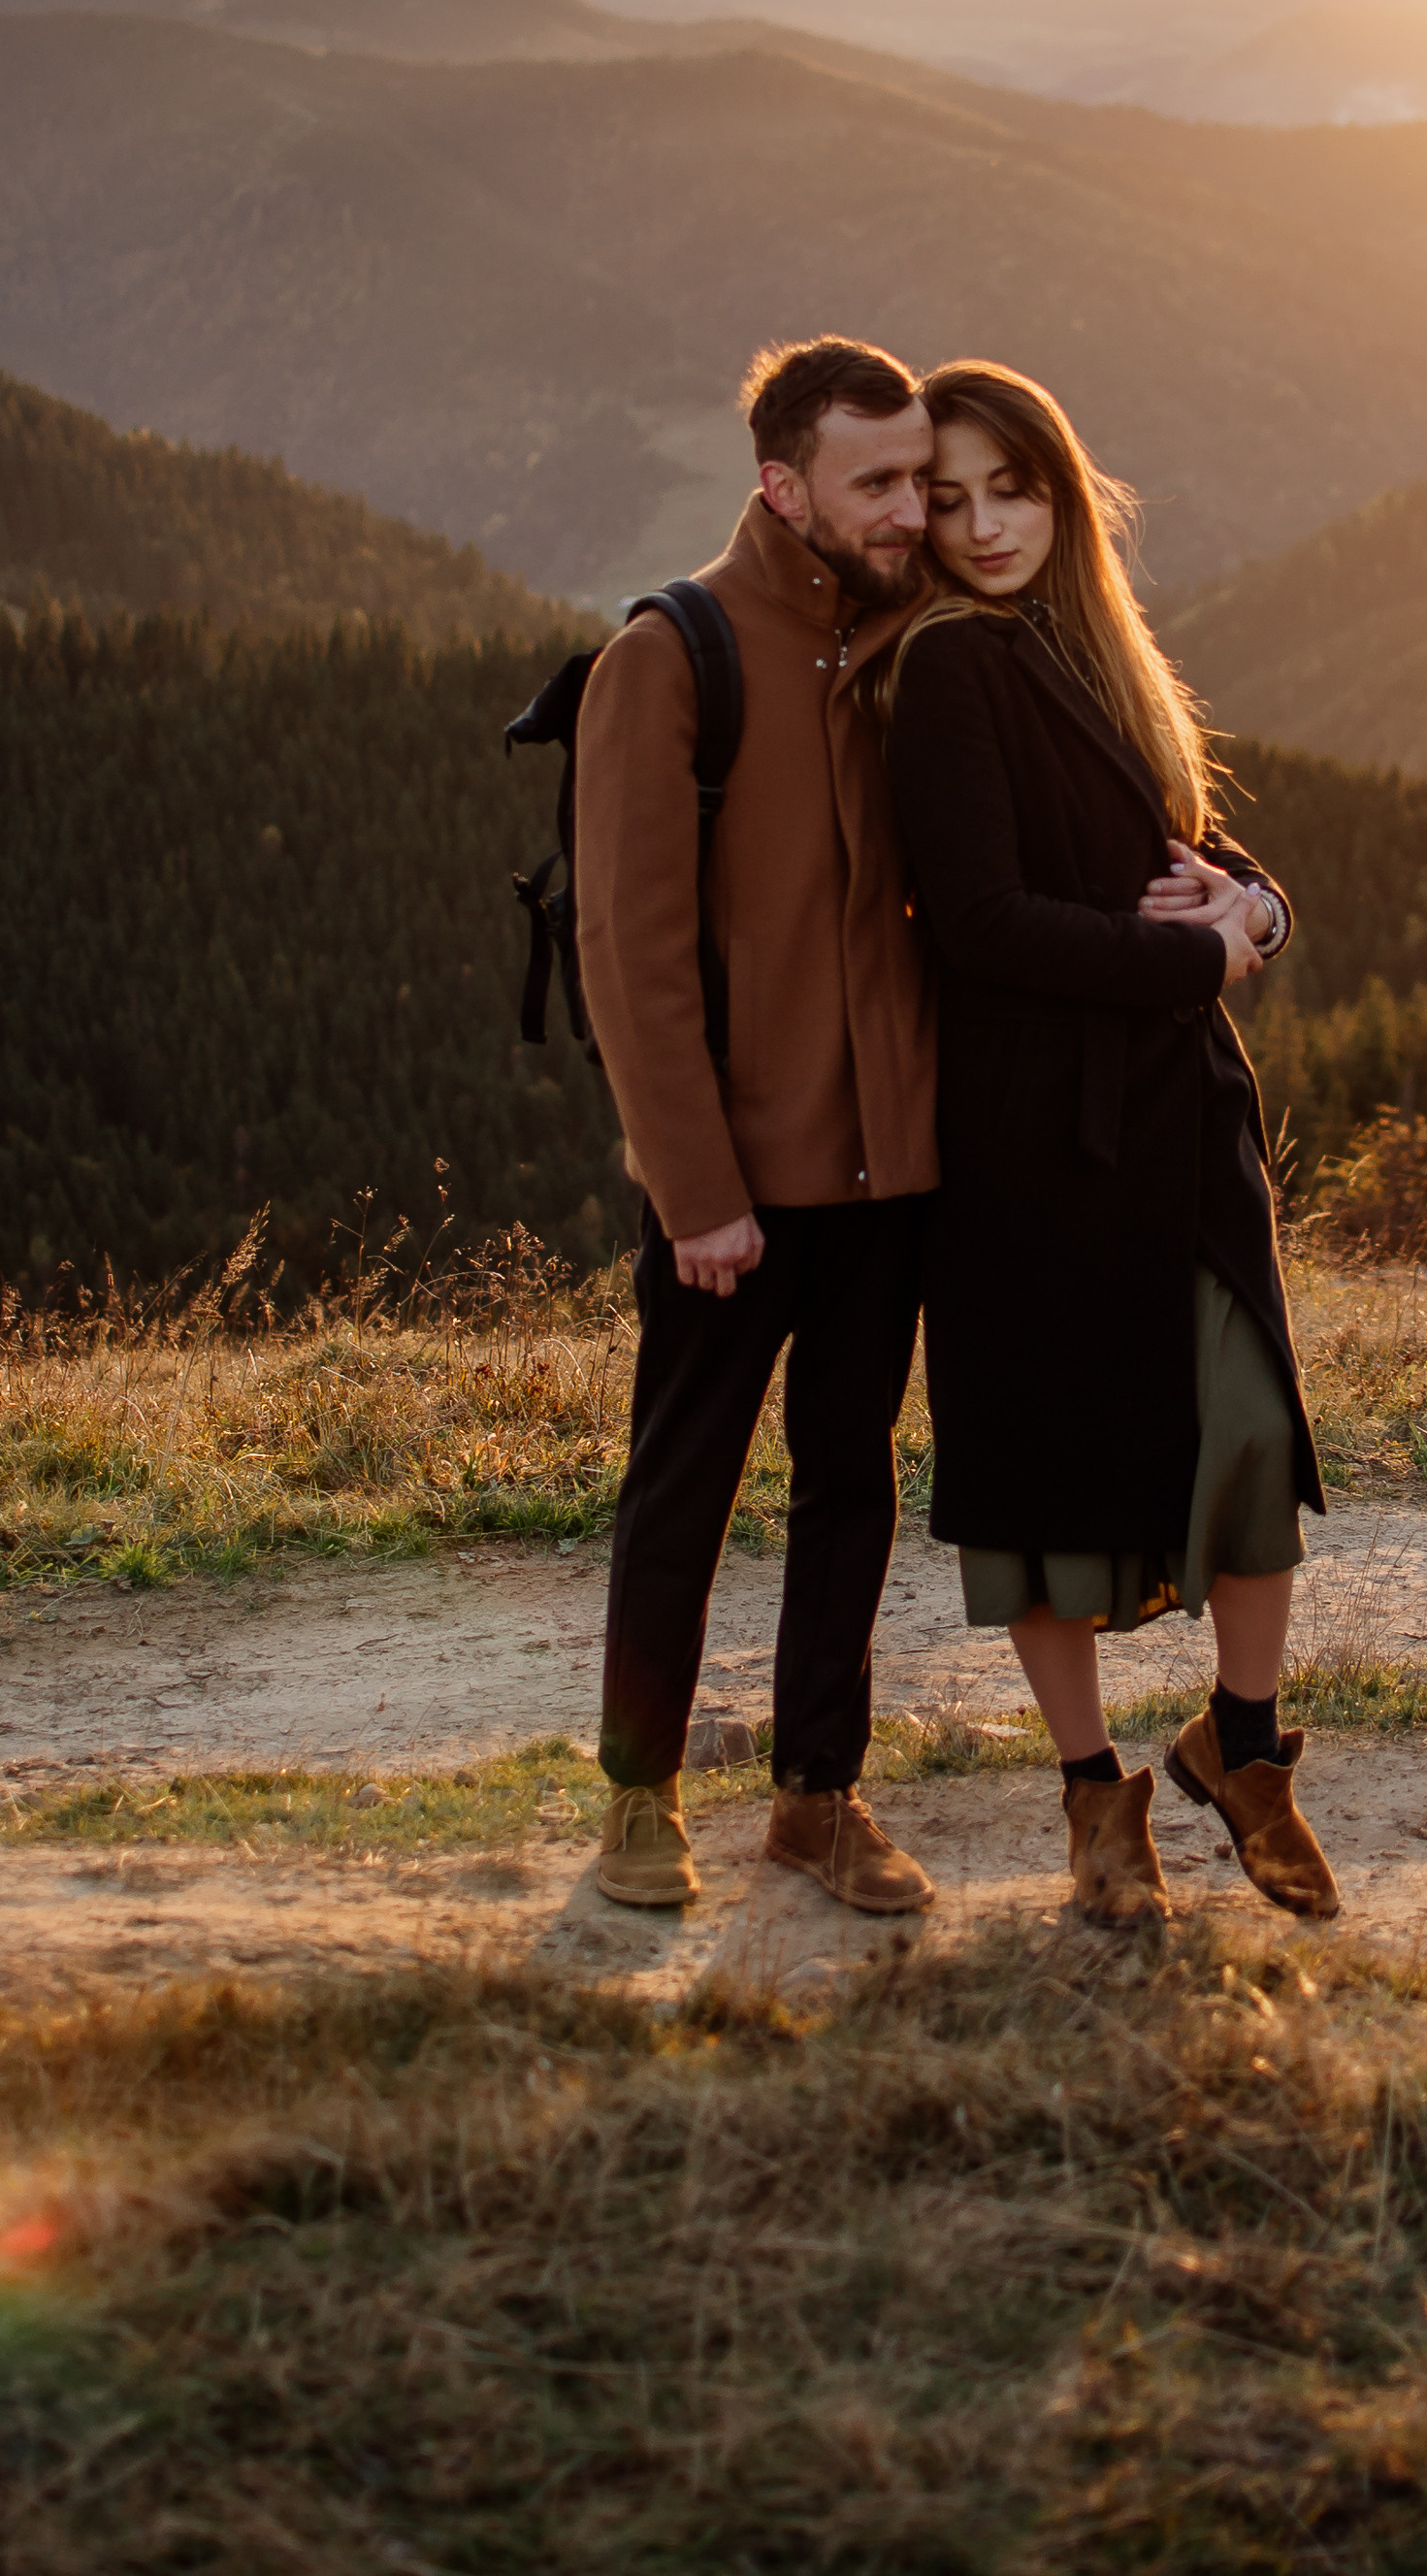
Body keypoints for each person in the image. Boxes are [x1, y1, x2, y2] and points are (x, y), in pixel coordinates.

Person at [881, 360, 1339, 1927]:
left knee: (1253, 1436)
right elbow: (985, 926)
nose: (986, 522)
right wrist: (1196, 963)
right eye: (947, 500)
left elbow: (1185, 846)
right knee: (1037, 1483)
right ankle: (1094, 1799)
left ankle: (1245, 1747)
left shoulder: (1077, 643)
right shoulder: (942, 667)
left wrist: (1256, 909)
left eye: (1014, 487)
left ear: (1061, 494)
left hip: (1173, 1122)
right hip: (1030, 1138)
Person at [573, 336, 941, 1915]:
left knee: (848, 1486)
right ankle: (638, 1800)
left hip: (891, 1178)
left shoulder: (912, 643)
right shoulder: (670, 654)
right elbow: (628, 952)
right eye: (877, 483)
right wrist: (694, 1190)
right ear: (781, 485)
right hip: (735, 1198)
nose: (909, 510)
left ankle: (815, 1798)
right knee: (685, 1487)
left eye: (919, 479)